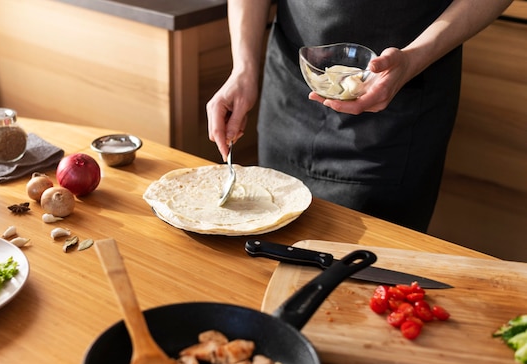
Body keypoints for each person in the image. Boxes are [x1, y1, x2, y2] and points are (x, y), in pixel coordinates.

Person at [206, 0, 512, 232]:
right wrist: (243, 68)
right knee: (276, 238)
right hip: (291, 87)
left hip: (401, 96)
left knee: (370, 270)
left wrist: (416, 56)